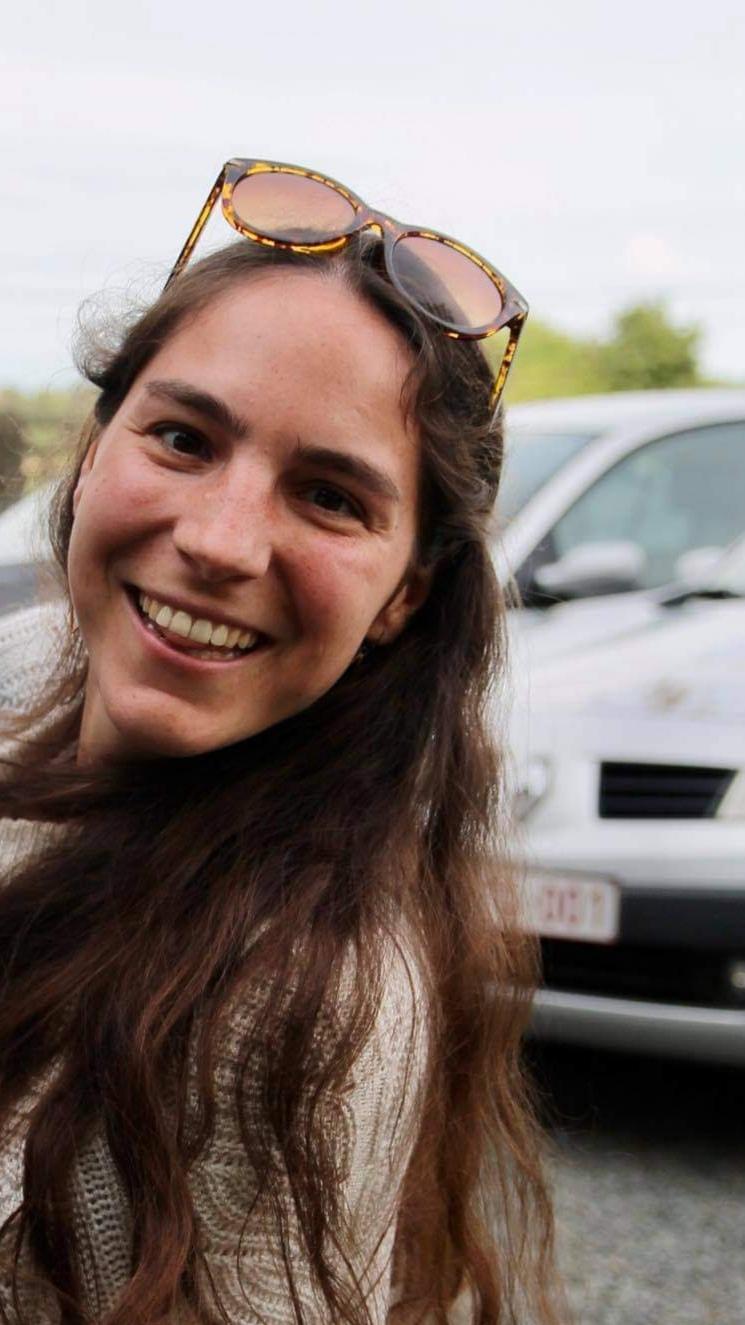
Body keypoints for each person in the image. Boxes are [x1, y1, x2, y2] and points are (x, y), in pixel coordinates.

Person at [0, 160, 563, 1324]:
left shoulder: (307, 995)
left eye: (330, 497)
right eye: (182, 437)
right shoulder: (21, 665)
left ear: (405, 594)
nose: (219, 540)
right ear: (96, 446)